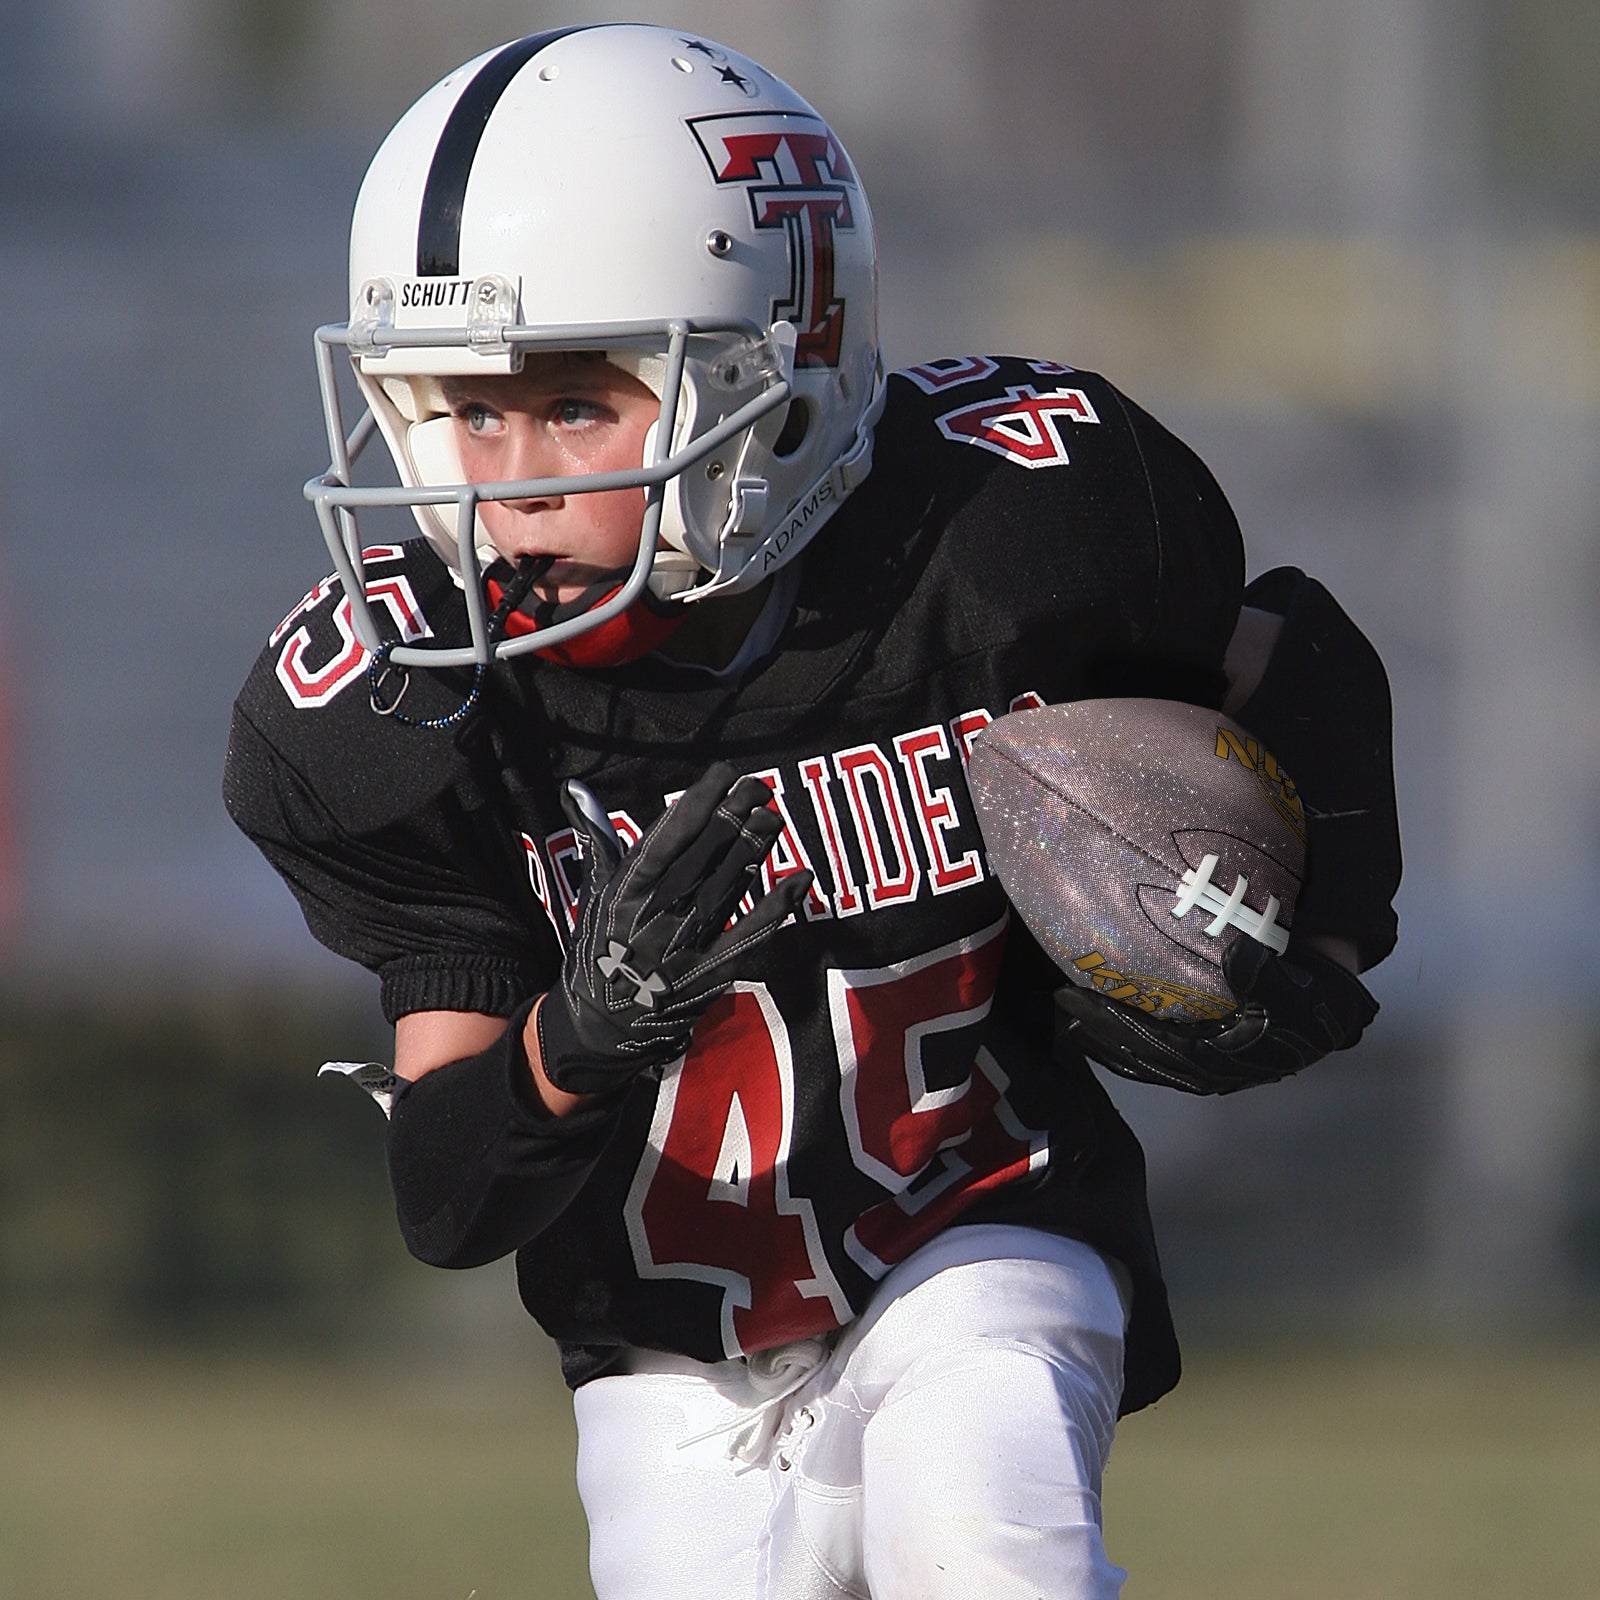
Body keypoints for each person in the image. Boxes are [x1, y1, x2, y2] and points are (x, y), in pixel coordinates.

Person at [224, 23, 1400, 1599]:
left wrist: (1318, 941)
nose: (503, 480)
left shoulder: (1008, 535)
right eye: (459, 408)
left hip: (981, 1222)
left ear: (778, 374)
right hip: (666, 1359)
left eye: (574, 404)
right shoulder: (405, 711)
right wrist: (584, 1039)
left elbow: (1293, 654)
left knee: (994, 1540)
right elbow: (449, 1197)